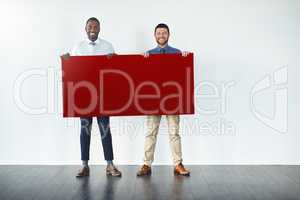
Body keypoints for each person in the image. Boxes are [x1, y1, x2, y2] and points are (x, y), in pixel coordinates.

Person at [61, 17, 121, 177]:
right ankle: (84, 166)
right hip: (84, 97)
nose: (92, 28)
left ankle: (110, 165)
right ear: (85, 28)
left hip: (102, 96)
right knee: (85, 130)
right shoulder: (77, 47)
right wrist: (67, 60)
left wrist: (115, 59)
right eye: (90, 26)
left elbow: (116, 71)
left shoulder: (108, 46)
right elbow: (73, 71)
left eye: (95, 26)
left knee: (105, 130)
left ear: (99, 28)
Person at [137, 23, 190, 176]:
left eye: (164, 32)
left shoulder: (177, 53)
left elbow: (181, 76)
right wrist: (142, 60)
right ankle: (146, 164)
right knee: (150, 132)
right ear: (155, 36)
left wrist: (185, 58)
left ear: (168, 35)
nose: (161, 35)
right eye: (158, 33)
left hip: (172, 100)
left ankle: (178, 164)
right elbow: (142, 78)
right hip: (154, 100)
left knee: (174, 133)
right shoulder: (149, 54)